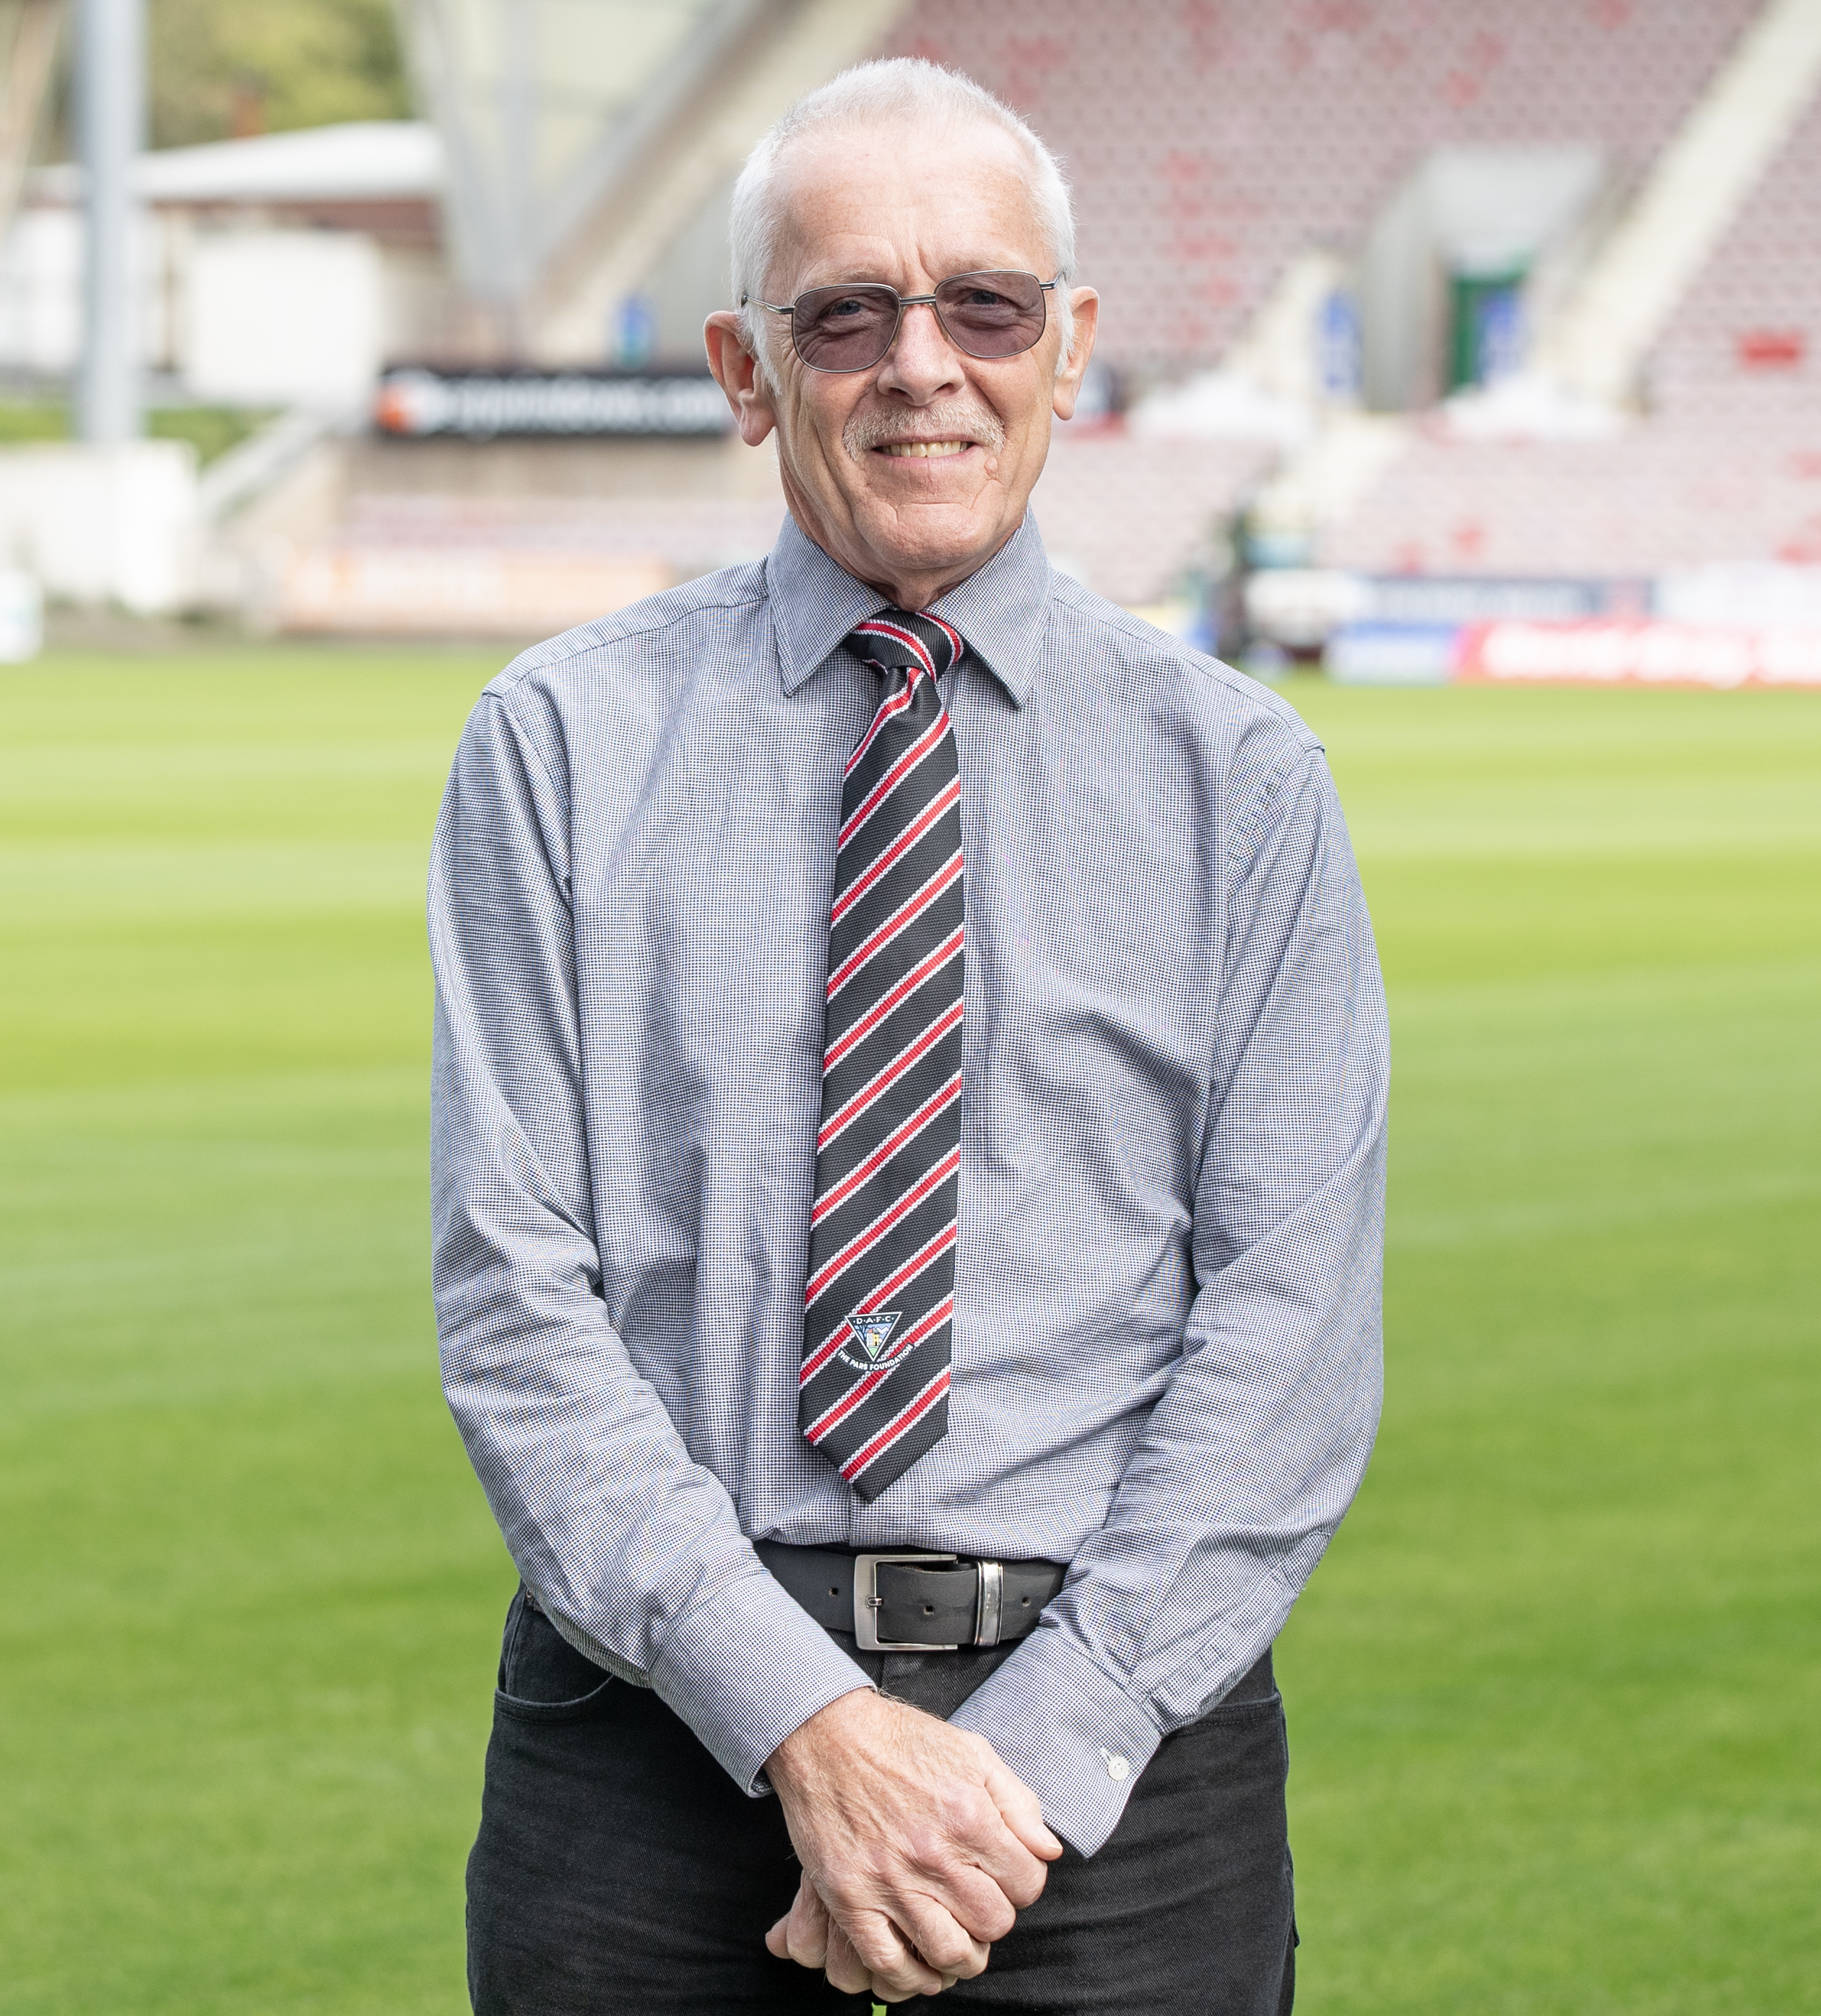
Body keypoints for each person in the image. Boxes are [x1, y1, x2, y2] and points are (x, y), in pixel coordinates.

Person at [428, 57, 1387, 2015]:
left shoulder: (1241, 781)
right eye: (845, 313)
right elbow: (517, 1299)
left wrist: (1017, 1768)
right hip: (654, 1735)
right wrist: (809, 1731)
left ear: (1072, 347)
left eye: (984, 305)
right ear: (744, 365)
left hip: (1117, 1749)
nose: (920, 364)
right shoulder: (558, 747)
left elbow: (1288, 1331)